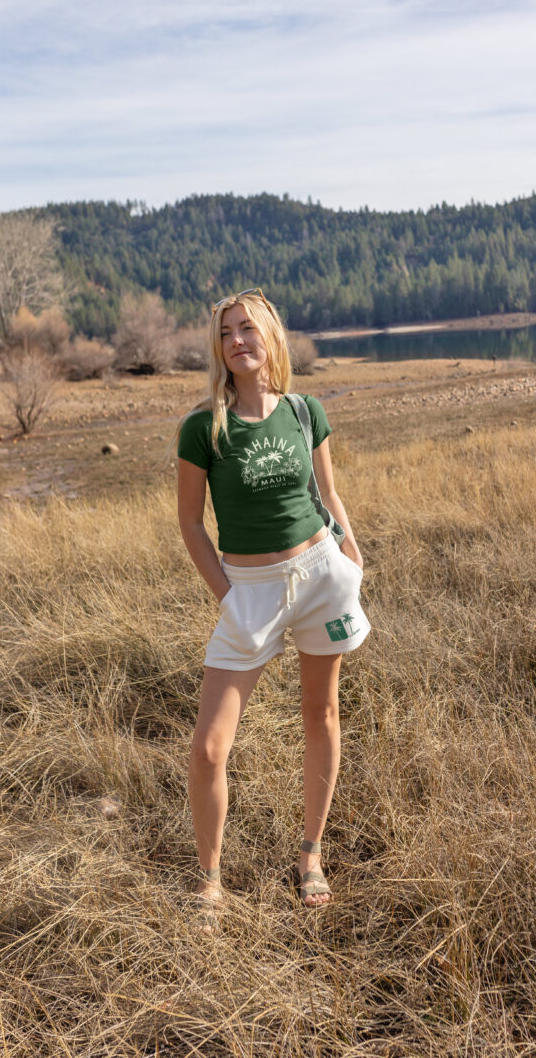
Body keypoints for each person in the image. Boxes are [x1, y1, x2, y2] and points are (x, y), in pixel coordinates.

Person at [175, 288, 370, 930]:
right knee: (208, 747)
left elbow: (328, 492)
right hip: (248, 593)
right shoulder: (204, 427)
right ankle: (210, 880)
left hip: (320, 576)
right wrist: (229, 596)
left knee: (322, 712)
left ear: (271, 339)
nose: (238, 340)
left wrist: (349, 554)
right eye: (227, 332)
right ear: (220, 350)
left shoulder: (305, 411)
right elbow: (190, 524)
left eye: (249, 329)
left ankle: (310, 856)